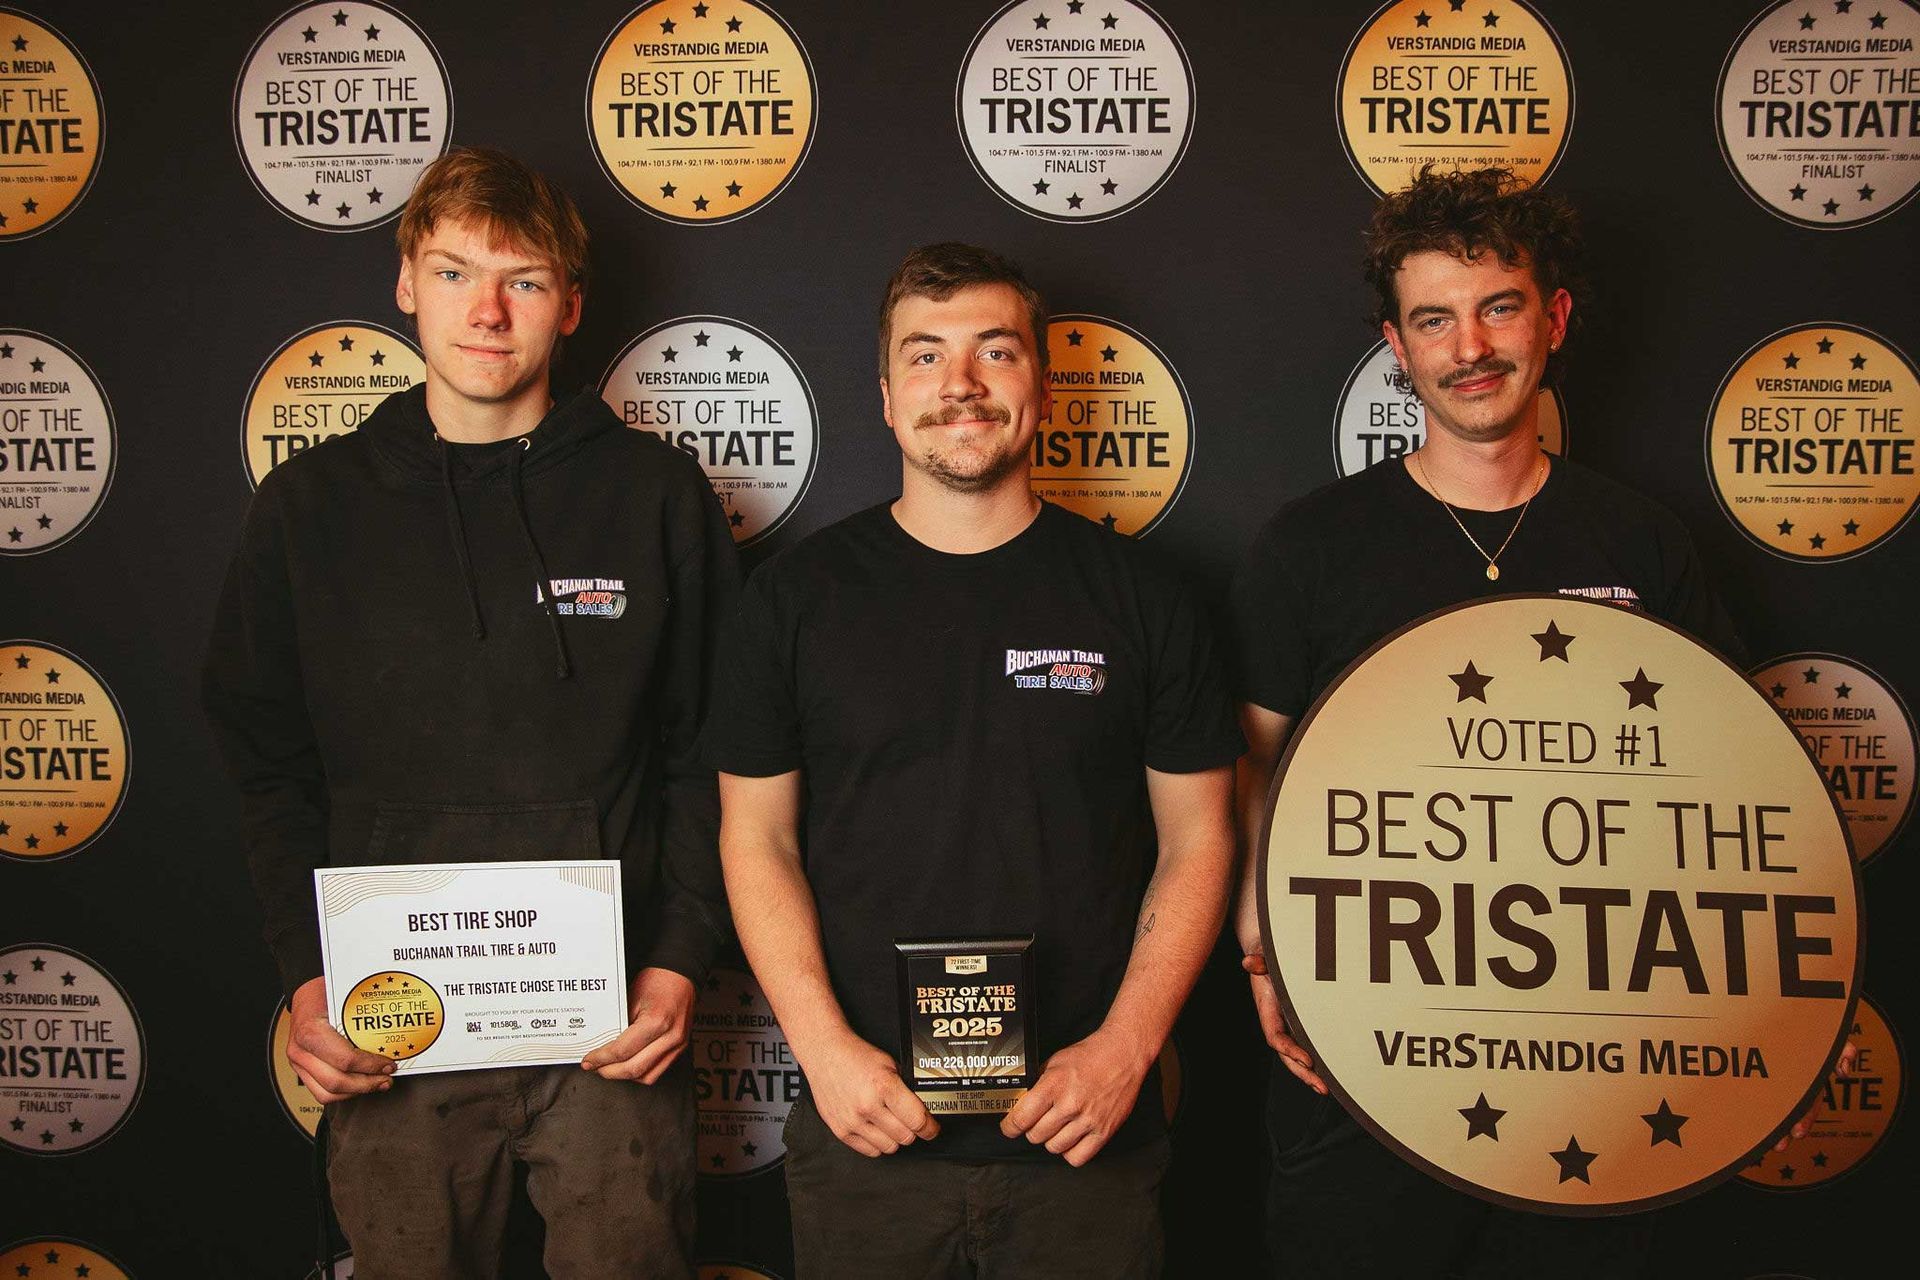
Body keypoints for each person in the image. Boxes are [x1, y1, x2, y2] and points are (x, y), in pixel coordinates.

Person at [202, 147, 737, 1279]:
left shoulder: (654, 496)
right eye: (454, 273)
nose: (487, 311)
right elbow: (270, 768)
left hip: (612, 1027)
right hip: (393, 1029)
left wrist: (681, 960)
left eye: (525, 280)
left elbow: (711, 754)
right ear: (406, 282)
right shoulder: (310, 507)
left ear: (572, 302)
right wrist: (308, 976)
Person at [1229, 165, 1745, 1277]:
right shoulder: (1311, 548)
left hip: (1592, 1076)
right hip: (1364, 1055)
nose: (1471, 345)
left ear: (1553, 317)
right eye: (1435, 319)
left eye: (1498, 305)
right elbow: (1252, 763)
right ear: (1397, 344)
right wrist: (1260, 940)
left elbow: (1725, 787)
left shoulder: (1643, 543)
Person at [708, 242, 1243, 1279]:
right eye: (925, 355)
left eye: (995, 351)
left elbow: (1200, 837)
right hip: (868, 1129)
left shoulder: (1146, 600)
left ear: (1041, 381)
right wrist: (821, 1048)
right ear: (884, 393)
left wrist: (1127, 1047)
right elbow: (755, 835)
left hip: (1082, 1132)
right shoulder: (793, 602)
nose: (959, 384)